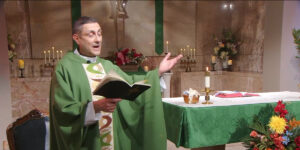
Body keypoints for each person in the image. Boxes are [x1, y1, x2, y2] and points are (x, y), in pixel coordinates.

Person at [49, 16, 182, 150]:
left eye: (100, 33)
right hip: (88, 143)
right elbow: (62, 111)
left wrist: (158, 72)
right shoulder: (65, 67)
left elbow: (131, 87)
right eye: (91, 35)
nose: (98, 39)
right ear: (77, 38)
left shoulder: (107, 65)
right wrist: (94, 107)